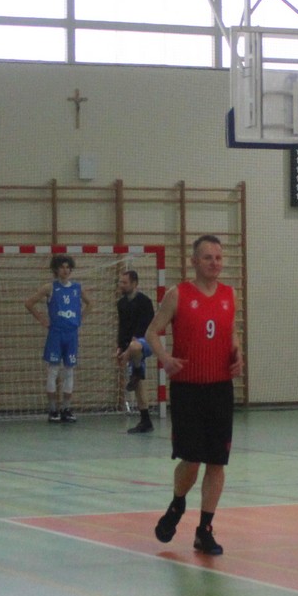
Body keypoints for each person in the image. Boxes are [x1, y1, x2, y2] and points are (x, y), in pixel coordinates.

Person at [145, 235, 242, 557]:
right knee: (191, 459)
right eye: (208, 257)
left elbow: (230, 332)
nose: (215, 263)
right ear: (194, 261)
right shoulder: (179, 294)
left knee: (217, 461)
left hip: (220, 388)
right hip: (188, 389)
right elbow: (152, 332)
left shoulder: (230, 295)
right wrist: (165, 359)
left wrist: (237, 353)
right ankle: (177, 504)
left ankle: (205, 529)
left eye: (218, 257)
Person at [25, 254, 92, 423]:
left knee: (69, 371)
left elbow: (90, 303)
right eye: (62, 267)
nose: (65, 270)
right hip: (56, 333)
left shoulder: (77, 287)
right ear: (56, 269)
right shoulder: (50, 288)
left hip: (71, 334)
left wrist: (80, 319)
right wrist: (42, 320)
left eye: (68, 267)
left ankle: (66, 409)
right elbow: (29, 303)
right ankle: (53, 409)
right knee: (53, 371)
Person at [116, 269, 156, 434]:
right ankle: (145, 420)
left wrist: (127, 353)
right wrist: (120, 348)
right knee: (139, 384)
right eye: (121, 282)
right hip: (131, 346)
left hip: (146, 342)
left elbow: (145, 327)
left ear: (134, 284)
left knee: (134, 346)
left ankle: (137, 370)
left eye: (125, 282)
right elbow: (123, 328)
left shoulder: (145, 301)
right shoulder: (121, 303)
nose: (121, 285)